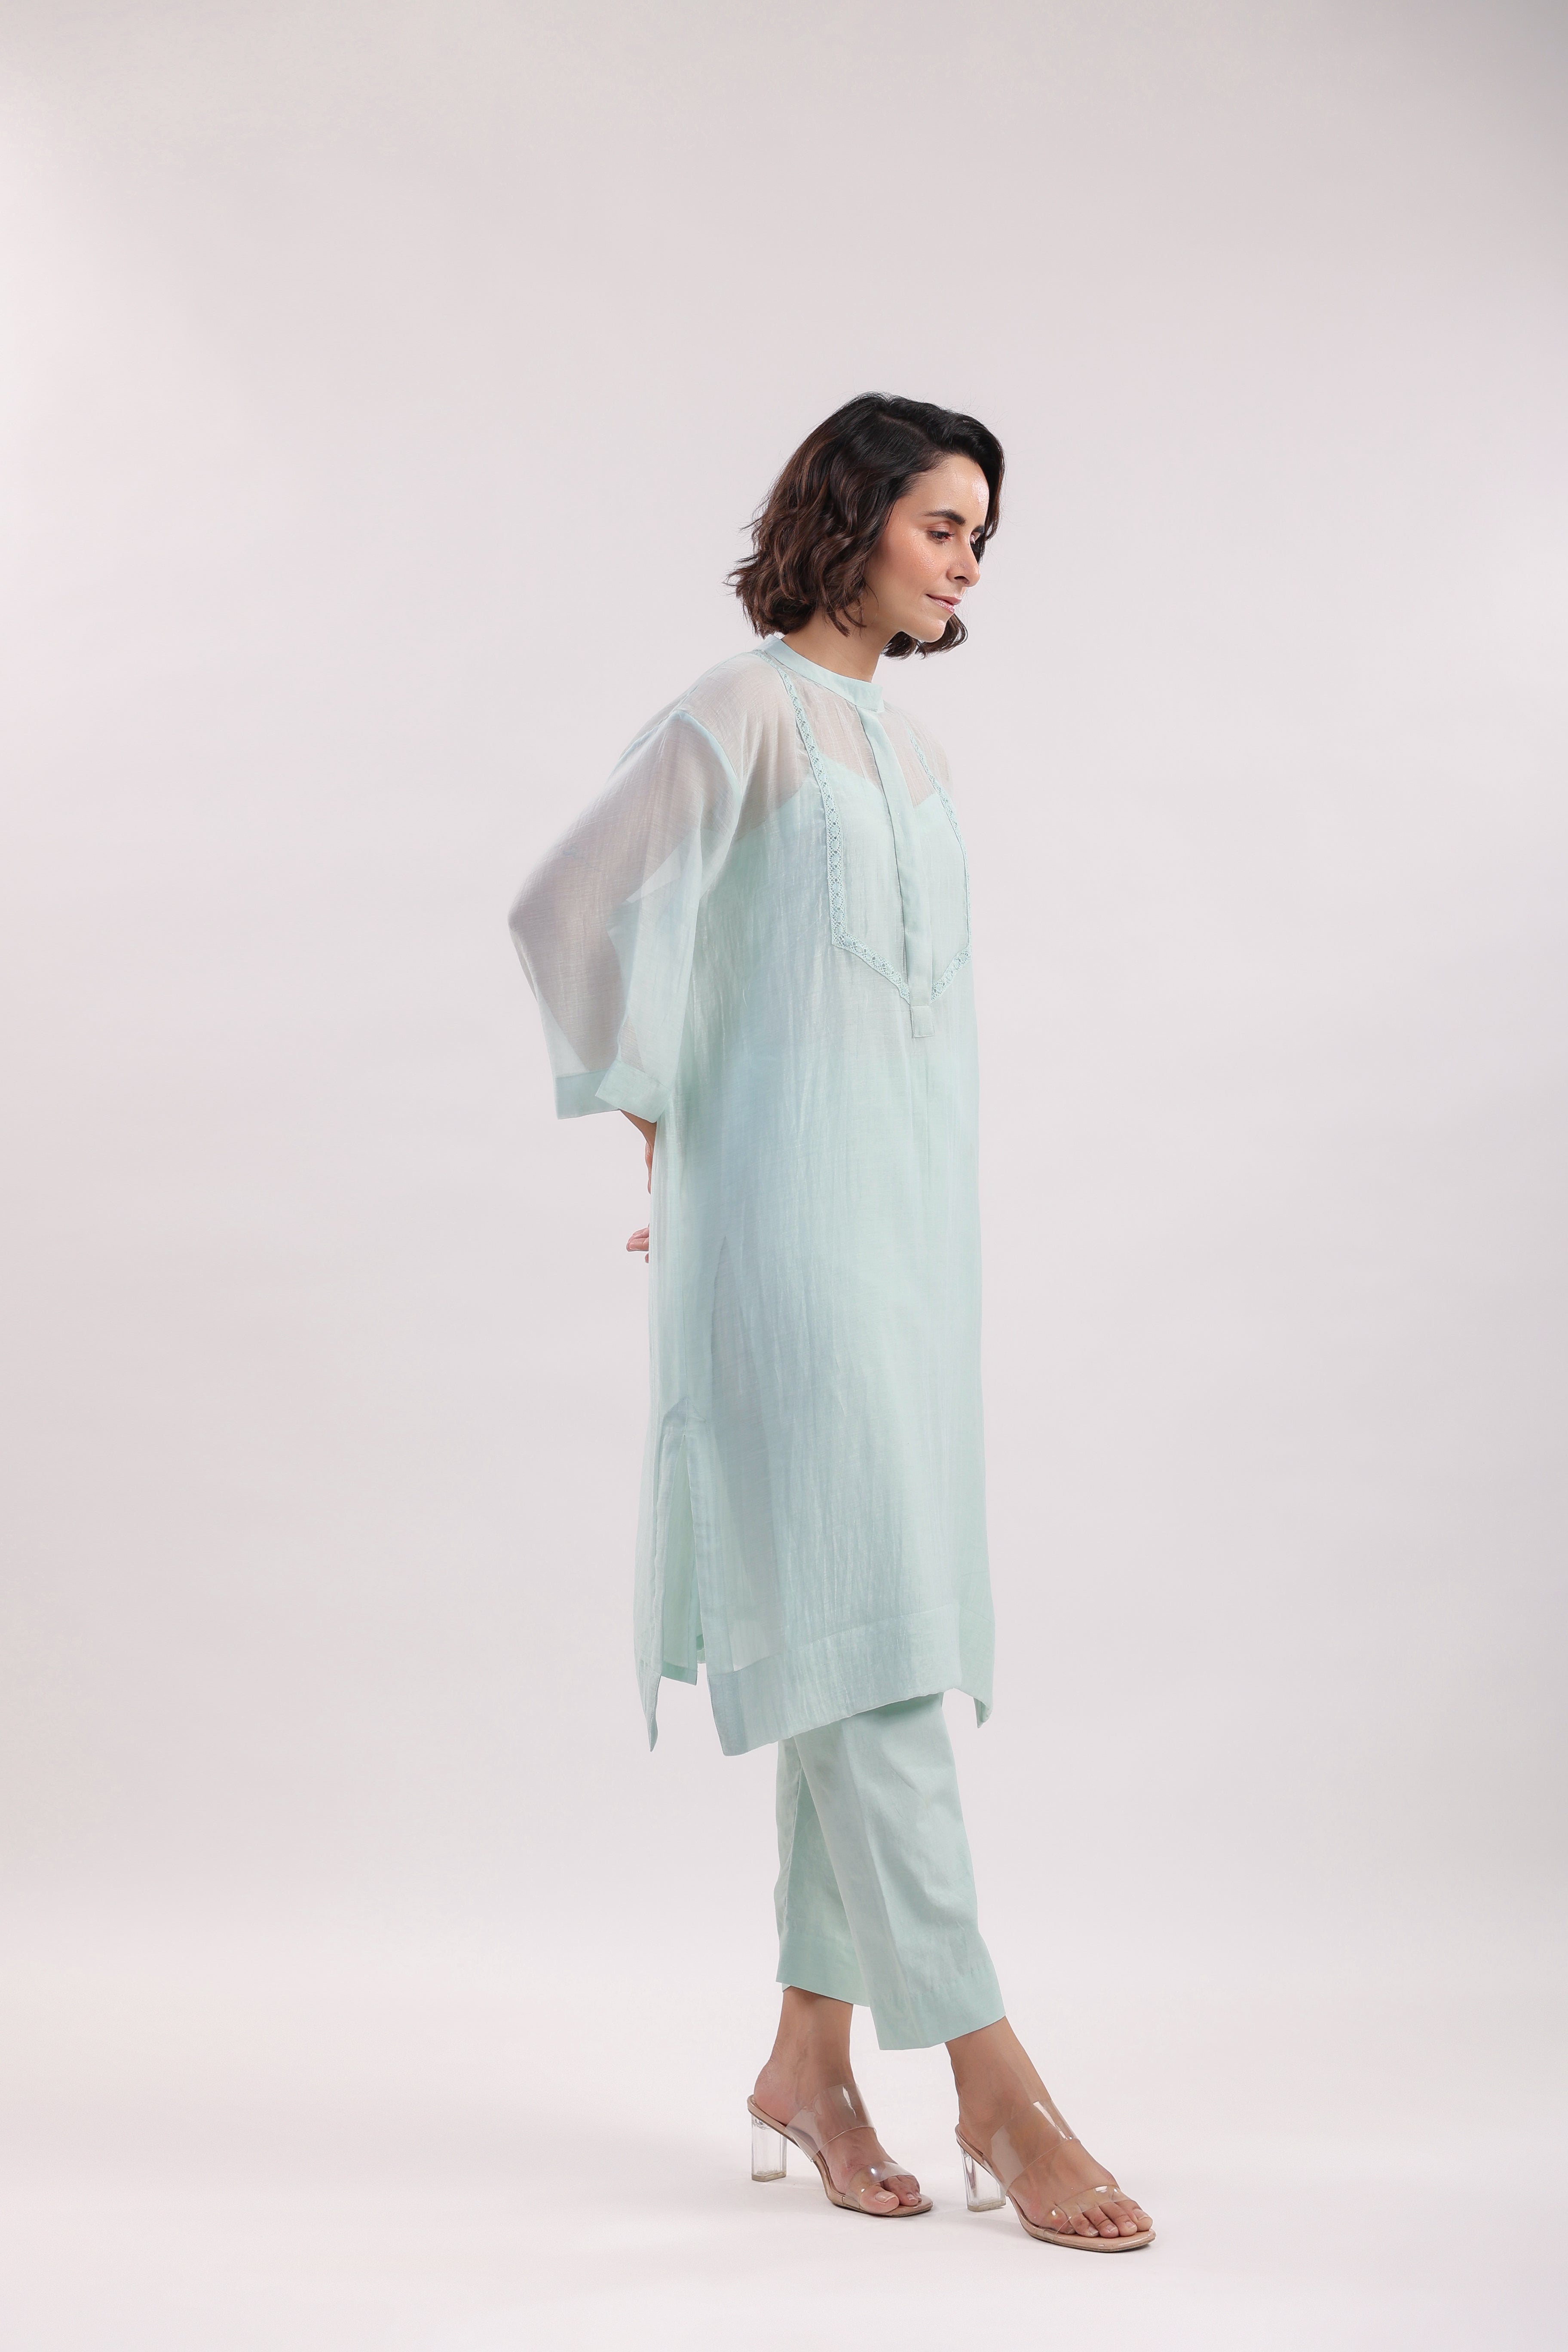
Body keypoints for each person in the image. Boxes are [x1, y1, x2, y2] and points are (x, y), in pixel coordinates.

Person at [508, 394, 1153, 2248]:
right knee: (865, 1652)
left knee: (866, 1634)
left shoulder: (915, 755)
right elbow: (567, 910)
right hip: (785, 1256)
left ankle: (807, 2062)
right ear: (851, 519)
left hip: (912, 1250)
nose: (969, 566)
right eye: (944, 526)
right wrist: (661, 1120)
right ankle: (998, 2082)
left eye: (983, 538)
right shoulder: (744, 713)